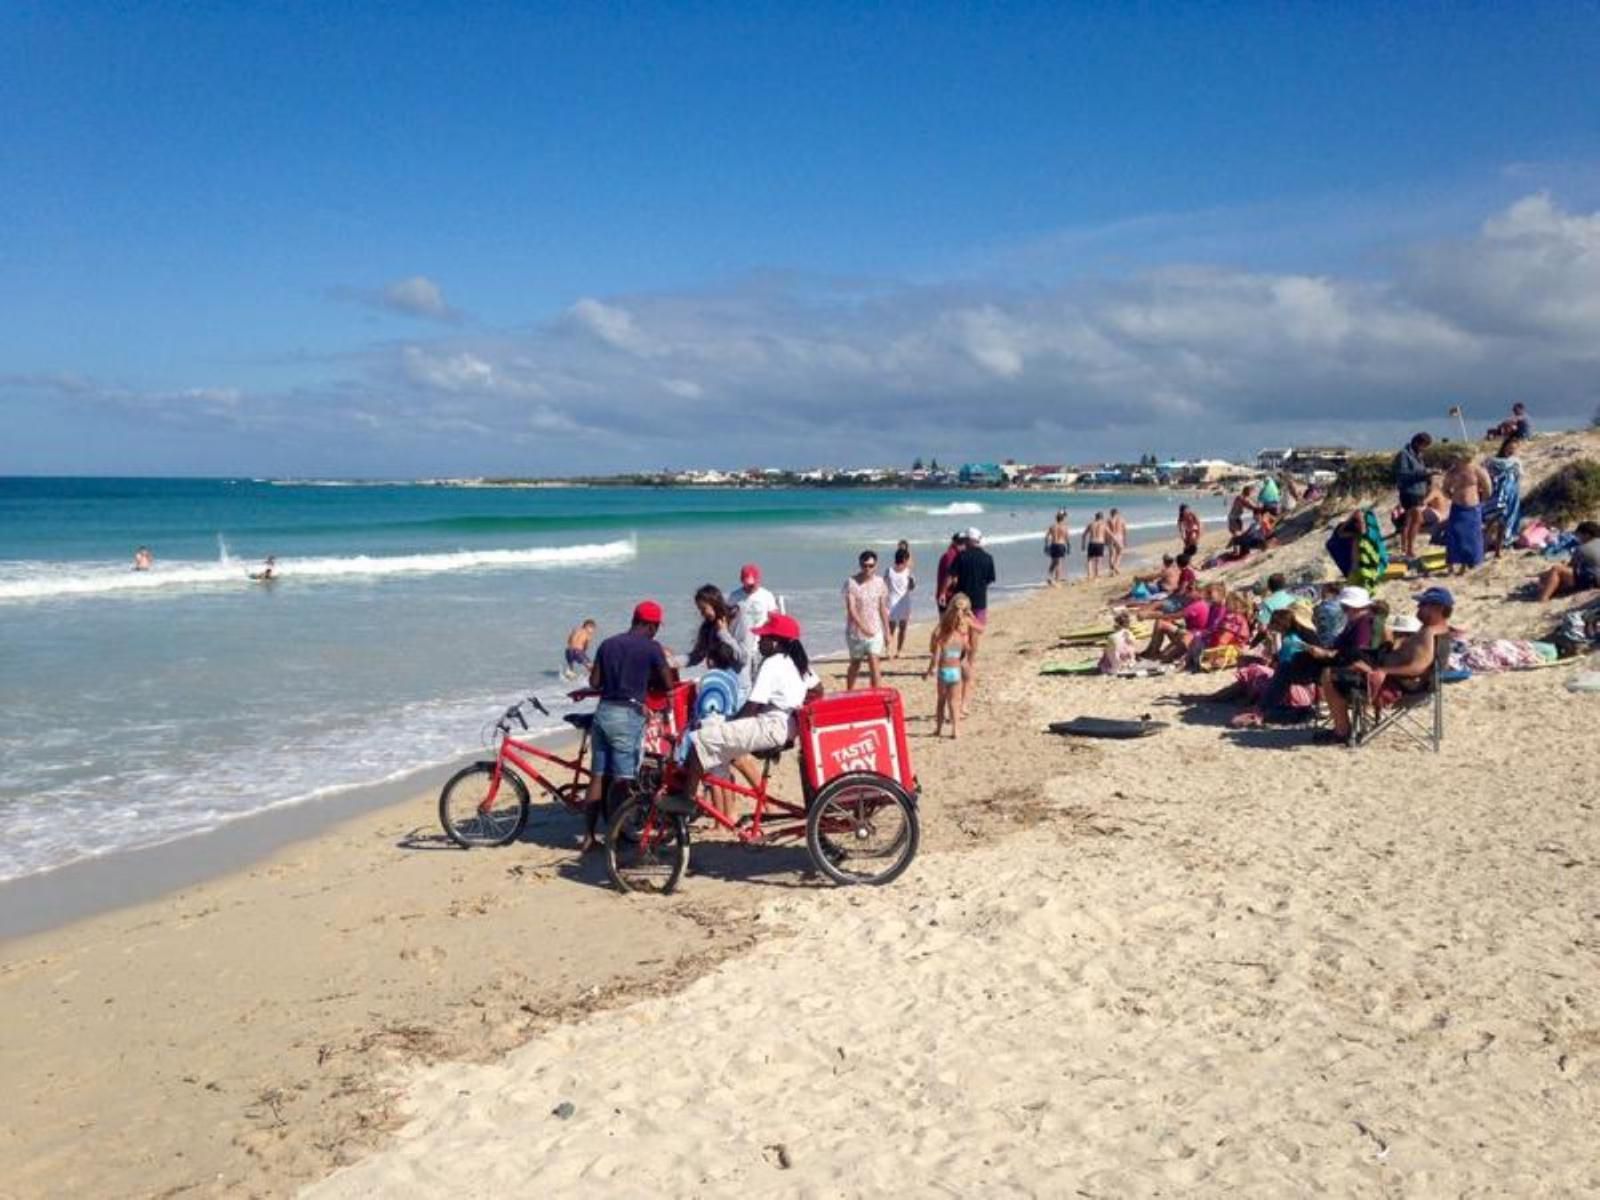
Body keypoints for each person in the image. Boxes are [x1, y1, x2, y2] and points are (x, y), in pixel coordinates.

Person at [660, 614, 817, 815]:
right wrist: (795, 709)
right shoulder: (798, 662)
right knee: (720, 743)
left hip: (770, 726)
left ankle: (686, 799)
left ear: (776, 642)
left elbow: (752, 706)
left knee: (699, 739)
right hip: (786, 727)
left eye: (764, 638)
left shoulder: (772, 663)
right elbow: (817, 690)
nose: (759, 641)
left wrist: (730, 723)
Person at [583, 600, 676, 851]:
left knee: (598, 777)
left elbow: (594, 682)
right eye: (656, 626)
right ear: (650, 625)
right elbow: (668, 684)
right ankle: (615, 837)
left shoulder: (608, 644)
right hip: (628, 715)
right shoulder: (652, 648)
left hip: (603, 713)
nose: (656, 631)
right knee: (623, 781)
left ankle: (589, 837)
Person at [1321, 587, 1453, 745]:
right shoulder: (1434, 630)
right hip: (1395, 676)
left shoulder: (1429, 633)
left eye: (1423, 604)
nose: (1418, 608)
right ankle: (1344, 726)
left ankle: (1342, 731)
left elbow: (1418, 668)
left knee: (1329, 674)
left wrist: (1382, 670)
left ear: (1438, 608)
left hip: (1399, 685)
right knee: (1348, 661)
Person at [942, 528, 996, 716]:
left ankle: (954, 701)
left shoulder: (961, 556)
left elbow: (951, 577)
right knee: (972, 650)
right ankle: (964, 703)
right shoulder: (988, 558)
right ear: (979, 540)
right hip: (979, 604)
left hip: (961, 604)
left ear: (968, 540)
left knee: (957, 645)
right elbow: (989, 580)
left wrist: (942, 592)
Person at [924, 593, 974, 737]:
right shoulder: (960, 638)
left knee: (941, 701)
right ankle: (956, 730)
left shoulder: (942, 639)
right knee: (954, 702)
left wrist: (929, 671)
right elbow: (966, 651)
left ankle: (939, 729)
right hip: (955, 672)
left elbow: (935, 657)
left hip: (943, 672)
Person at [843, 549, 891, 691]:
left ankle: (875, 695)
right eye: (865, 565)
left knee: (874, 662)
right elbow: (851, 609)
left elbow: (882, 608)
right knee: (855, 664)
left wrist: (887, 631)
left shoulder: (880, 582)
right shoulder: (851, 583)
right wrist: (863, 627)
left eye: (871, 566)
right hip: (855, 632)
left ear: (876, 566)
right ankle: (849, 691)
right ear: (860, 565)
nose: (867, 569)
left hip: (875, 630)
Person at [1442, 451, 1493, 574]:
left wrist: (1482, 501)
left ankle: (1466, 565)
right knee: (1454, 535)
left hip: (1473, 507)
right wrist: (1452, 496)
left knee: (1470, 536)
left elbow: (1488, 488)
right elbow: (1445, 488)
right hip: (1457, 507)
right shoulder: (1453, 472)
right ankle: (1451, 565)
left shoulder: (1477, 470)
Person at [686, 584, 748, 679]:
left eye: (703, 609)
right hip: (719, 680)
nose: (702, 614)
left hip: (738, 685)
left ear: (714, 603)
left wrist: (723, 633)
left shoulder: (738, 618)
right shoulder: (707, 626)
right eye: (699, 610)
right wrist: (672, 662)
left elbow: (742, 659)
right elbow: (696, 656)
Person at [729, 563, 776, 671]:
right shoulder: (734, 596)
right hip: (741, 646)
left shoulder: (766, 596)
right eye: (748, 583)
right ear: (742, 580)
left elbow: (774, 619)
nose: (751, 586)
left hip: (760, 646)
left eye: (753, 583)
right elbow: (729, 621)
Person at [1536, 521, 1600, 601]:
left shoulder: (1582, 548)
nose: (1578, 539)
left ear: (1587, 535)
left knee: (1556, 569)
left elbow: (1571, 566)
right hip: (1593, 577)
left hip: (1594, 580)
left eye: (1579, 536)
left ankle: (1543, 598)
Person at [1395, 432, 1434, 562]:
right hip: (1408, 492)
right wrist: (1424, 473)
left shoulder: (1419, 456)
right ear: (1418, 443)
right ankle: (1410, 549)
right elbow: (1404, 473)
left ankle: (1405, 548)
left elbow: (1420, 472)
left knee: (1409, 520)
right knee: (1417, 519)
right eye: (1424, 446)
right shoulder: (1404, 455)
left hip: (1418, 492)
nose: (1425, 449)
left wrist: (1428, 477)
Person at [1482, 437, 1523, 558]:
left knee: (1504, 523)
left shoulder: (1516, 462)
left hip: (1511, 494)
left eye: (1514, 449)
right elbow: (1485, 474)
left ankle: (1498, 550)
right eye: (1509, 447)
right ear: (1504, 447)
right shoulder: (1493, 461)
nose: (1511, 450)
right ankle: (1483, 548)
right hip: (1496, 495)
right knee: (1491, 522)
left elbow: (1518, 478)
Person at [885, 545, 916, 657]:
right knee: (902, 628)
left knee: (891, 628)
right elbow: (911, 588)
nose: (908, 561)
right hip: (903, 602)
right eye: (907, 559)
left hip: (892, 602)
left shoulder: (888, 571)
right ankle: (898, 651)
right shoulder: (907, 572)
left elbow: (884, 586)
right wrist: (911, 580)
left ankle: (889, 650)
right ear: (904, 559)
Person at [1099, 609, 1140, 675]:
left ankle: (1116, 667)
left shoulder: (1112, 636)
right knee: (1129, 647)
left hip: (1116, 665)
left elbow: (1112, 651)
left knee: (1107, 650)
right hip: (1128, 661)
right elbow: (1134, 646)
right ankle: (1128, 664)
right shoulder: (1130, 634)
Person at [935, 532, 966, 614]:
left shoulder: (954, 554)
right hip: (948, 596)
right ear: (954, 542)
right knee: (948, 624)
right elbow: (950, 577)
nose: (963, 545)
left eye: (964, 542)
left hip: (948, 594)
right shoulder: (952, 555)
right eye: (960, 542)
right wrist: (943, 593)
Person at [1044, 511, 1071, 586]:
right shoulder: (1065, 527)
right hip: (1061, 545)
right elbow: (1067, 538)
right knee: (1059, 563)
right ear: (1063, 519)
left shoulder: (1052, 526)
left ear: (1056, 519)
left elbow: (1046, 537)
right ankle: (1057, 580)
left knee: (1053, 562)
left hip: (1053, 545)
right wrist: (1069, 547)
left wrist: (1046, 546)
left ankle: (1049, 576)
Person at [1081, 511, 1109, 579]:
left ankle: (1089, 575)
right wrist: (1117, 542)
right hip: (1100, 543)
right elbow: (1110, 534)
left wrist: (1083, 545)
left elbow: (1084, 535)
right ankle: (1097, 574)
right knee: (1098, 560)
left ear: (1095, 517)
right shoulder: (1104, 525)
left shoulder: (1091, 524)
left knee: (1089, 560)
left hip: (1092, 543)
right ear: (1102, 518)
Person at [1105, 508, 1127, 574]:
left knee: (1111, 555)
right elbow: (1124, 530)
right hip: (1119, 536)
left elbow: (1106, 531)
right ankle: (1116, 566)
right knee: (1120, 553)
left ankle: (1111, 571)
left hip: (1111, 537)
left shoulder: (1108, 520)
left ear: (1111, 513)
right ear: (1117, 513)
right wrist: (1125, 539)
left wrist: (1106, 539)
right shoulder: (1122, 519)